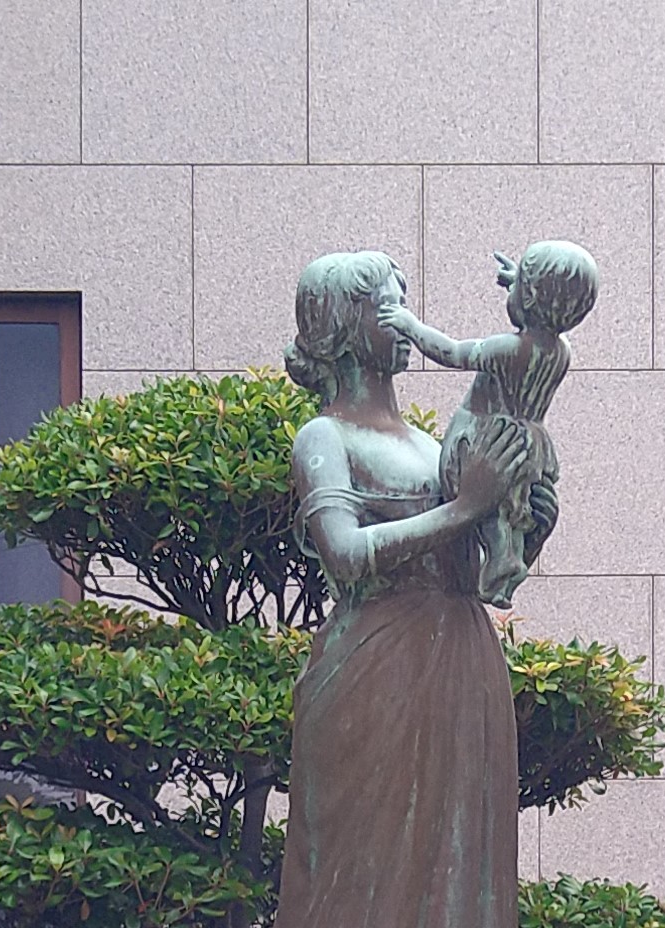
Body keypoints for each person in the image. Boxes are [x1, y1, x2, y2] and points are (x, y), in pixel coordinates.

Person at [274, 250, 554, 928]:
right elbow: (345, 555)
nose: (402, 318)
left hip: (462, 659)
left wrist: (526, 525)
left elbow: (480, 567)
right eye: (386, 306)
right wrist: (465, 507)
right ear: (345, 326)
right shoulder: (324, 437)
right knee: (361, 872)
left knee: (460, 873)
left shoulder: (434, 444)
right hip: (375, 665)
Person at [376, 240, 598, 607]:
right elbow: (542, 308)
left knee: (491, 510)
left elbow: (452, 352)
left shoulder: (511, 349)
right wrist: (521, 284)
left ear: (530, 298)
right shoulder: (561, 351)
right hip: (529, 443)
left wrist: (410, 325)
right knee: (510, 511)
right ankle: (507, 562)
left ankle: (500, 566)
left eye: (519, 284)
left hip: (486, 436)